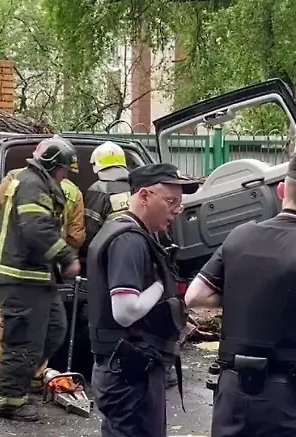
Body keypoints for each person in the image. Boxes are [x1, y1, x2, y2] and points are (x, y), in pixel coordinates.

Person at [185, 151, 296, 437]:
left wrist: (245, 295)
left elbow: (194, 296)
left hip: (234, 394)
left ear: (281, 190)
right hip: (286, 399)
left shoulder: (239, 235)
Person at [88, 162, 198, 437]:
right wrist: (160, 287)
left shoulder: (130, 233)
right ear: (145, 196)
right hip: (129, 374)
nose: (176, 210)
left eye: (180, 204)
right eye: (171, 201)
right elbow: (125, 311)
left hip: (129, 369)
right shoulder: (130, 240)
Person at [0, 166, 85, 395]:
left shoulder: (16, 177)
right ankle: (33, 377)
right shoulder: (74, 191)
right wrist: (62, 255)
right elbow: (76, 236)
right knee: (40, 326)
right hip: (46, 271)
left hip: (10, 265)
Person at [0, 135, 82, 421]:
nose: (65, 176)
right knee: (23, 341)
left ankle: (18, 383)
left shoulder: (39, 184)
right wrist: (67, 257)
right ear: (53, 165)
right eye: (64, 170)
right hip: (20, 278)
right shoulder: (32, 184)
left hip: (37, 278)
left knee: (54, 329)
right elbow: (37, 229)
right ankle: (9, 401)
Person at [83, 141, 131, 251]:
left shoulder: (98, 190)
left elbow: (91, 229)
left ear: (96, 164)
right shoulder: (137, 187)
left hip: (109, 250)